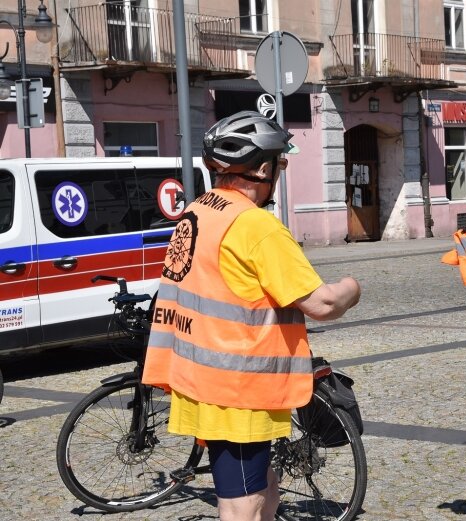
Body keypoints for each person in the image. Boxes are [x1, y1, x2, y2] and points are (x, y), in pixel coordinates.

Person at [142, 111, 361, 521]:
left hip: (201, 375)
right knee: (240, 503)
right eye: (280, 162)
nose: (281, 170)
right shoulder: (256, 226)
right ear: (263, 168)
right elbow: (322, 304)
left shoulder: (198, 212)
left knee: (262, 485)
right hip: (239, 389)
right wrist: (353, 286)